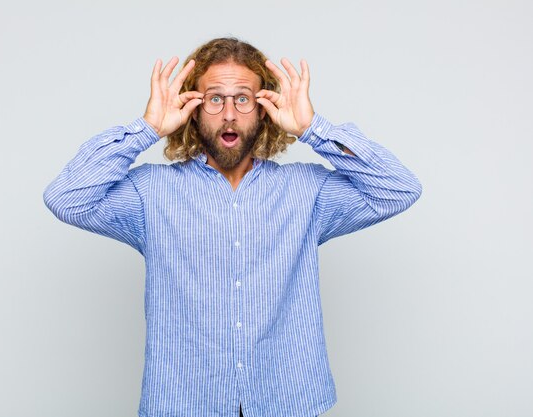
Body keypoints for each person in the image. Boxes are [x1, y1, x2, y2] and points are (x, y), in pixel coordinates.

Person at [43, 37, 421, 417]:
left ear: (264, 109)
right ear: (192, 108)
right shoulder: (150, 193)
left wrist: (312, 128)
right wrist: (147, 128)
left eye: (243, 99)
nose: (228, 114)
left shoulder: (308, 191)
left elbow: (399, 190)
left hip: (287, 400)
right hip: (183, 404)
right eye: (214, 99)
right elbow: (67, 198)